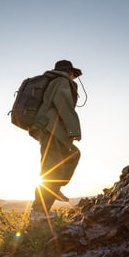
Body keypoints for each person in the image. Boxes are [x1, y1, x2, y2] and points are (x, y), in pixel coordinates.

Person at [29, 59, 82, 218]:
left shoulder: (54, 82)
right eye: (73, 74)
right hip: (51, 129)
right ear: (69, 72)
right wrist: (74, 130)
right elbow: (64, 105)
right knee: (51, 168)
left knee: (72, 155)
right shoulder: (61, 81)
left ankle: (55, 188)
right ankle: (39, 211)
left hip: (52, 130)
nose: (74, 78)